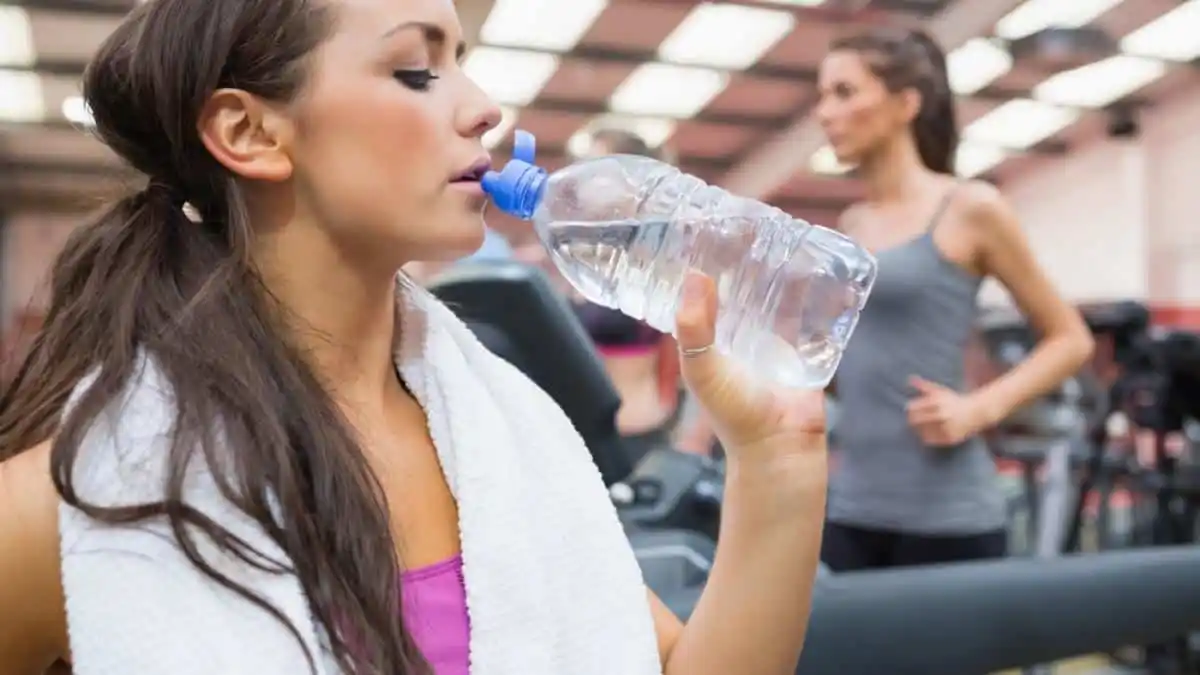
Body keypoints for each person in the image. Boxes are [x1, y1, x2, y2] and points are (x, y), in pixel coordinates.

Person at [0, 1, 826, 674]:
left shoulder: (511, 442)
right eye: (416, 70)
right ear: (251, 133)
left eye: (461, 59)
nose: (484, 107)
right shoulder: (83, 499)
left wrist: (778, 461)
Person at [812, 26, 1094, 570]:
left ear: (905, 104)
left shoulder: (969, 208)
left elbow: (1071, 339)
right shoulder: (852, 224)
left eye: (844, 93)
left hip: (948, 518)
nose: (825, 113)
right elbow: (845, 367)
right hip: (853, 507)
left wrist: (977, 409)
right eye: (822, 95)